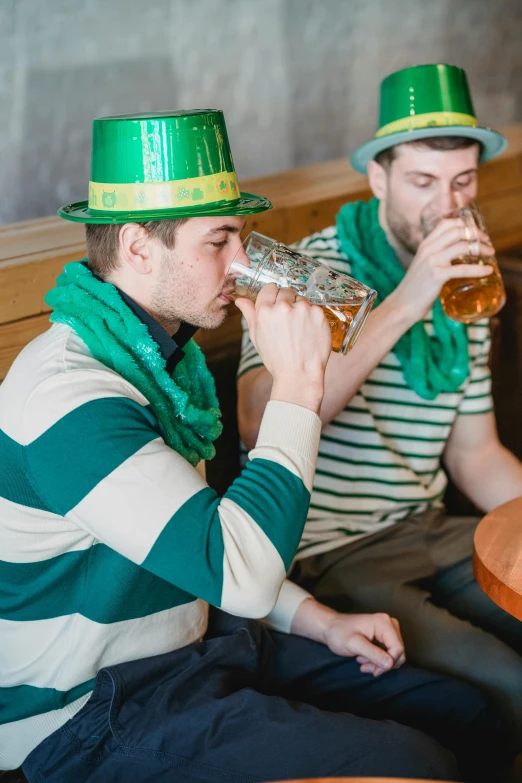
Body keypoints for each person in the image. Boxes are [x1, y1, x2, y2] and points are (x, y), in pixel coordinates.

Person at [0, 110, 509, 783]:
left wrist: (320, 620)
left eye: (237, 236)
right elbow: (239, 567)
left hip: (191, 652)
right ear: (138, 246)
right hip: (84, 714)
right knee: (418, 759)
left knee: (464, 711)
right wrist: (300, 382)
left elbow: (197, 546)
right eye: (219, 240)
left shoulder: (160, 364)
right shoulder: (70, 395)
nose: (242, 261)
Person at [238, 64, 522, 756]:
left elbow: (474, 455)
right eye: (423, 182)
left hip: (430, 524)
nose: (446, 206)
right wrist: (407, 299)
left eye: (462, 181)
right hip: (332, 549)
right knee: (510, 683)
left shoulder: (468, 284)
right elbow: (256, 422)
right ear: (378, 180)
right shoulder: (311, 273)